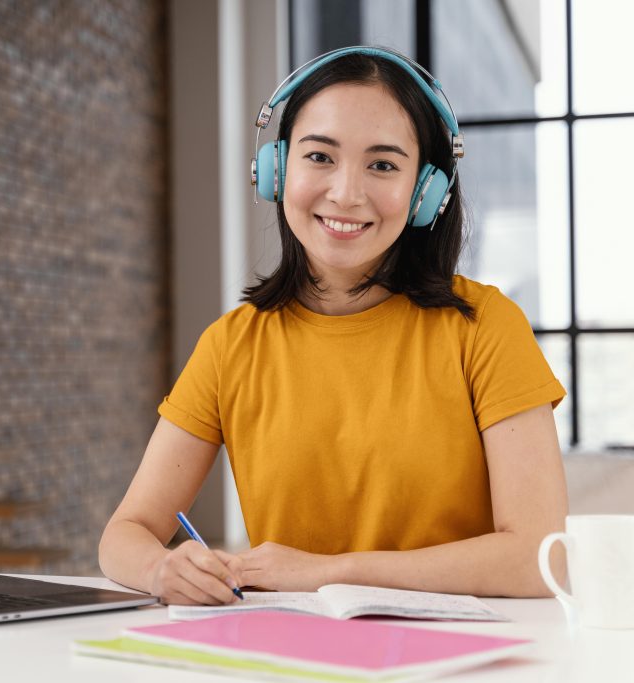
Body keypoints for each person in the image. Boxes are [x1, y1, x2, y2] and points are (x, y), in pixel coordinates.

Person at [98, 46, 568, 605]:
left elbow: (540, 557)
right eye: (320, 157)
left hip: (459, 655)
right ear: (277, 169)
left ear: (427, 193)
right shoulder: (232, 344)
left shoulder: (485, 328)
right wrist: (160, 570)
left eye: (383, 164)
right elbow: (125, 534)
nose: (346, 193)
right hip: (291, 652)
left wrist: (328, 571)